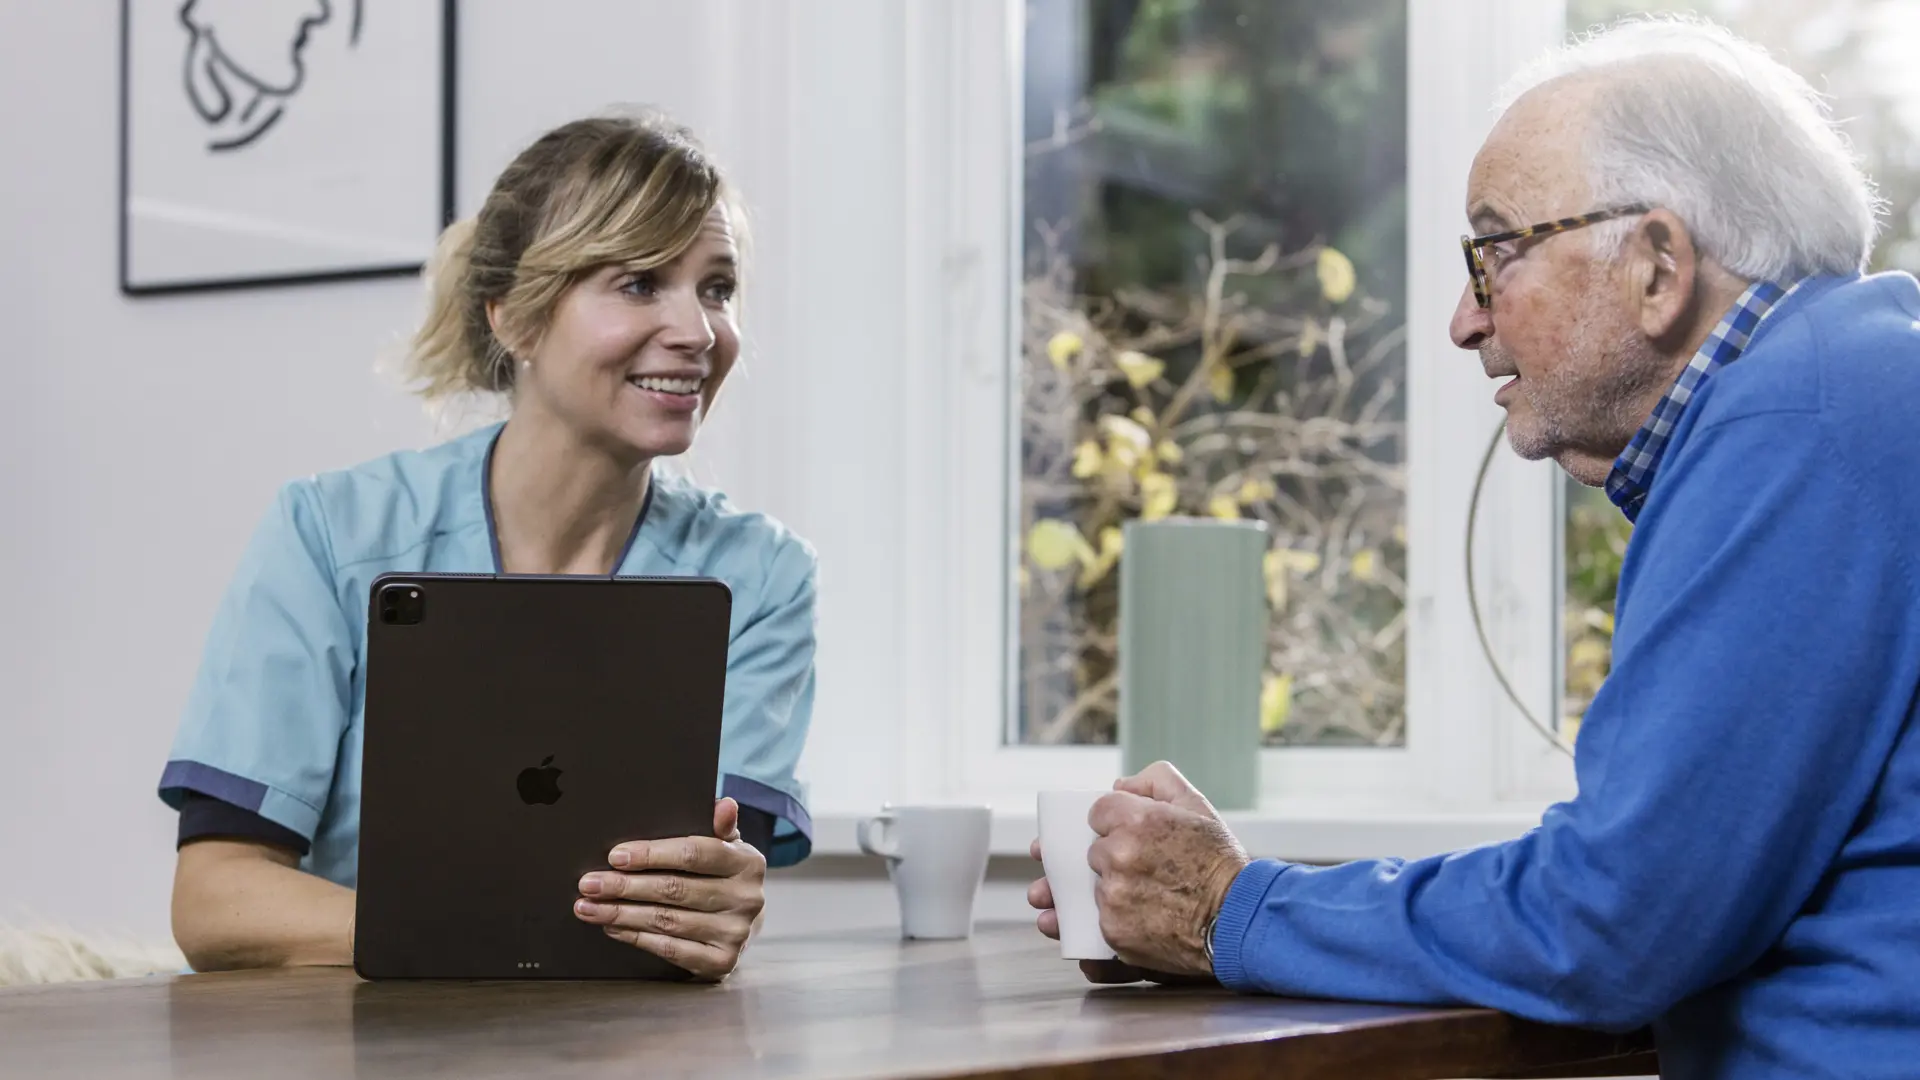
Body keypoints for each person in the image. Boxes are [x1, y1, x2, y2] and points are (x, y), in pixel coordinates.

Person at [1030, 17, 1920, 1078]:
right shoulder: (1844, 389)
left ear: (1656, 266)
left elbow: (1613, 925)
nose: (1463, 319)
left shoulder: (1795, 420)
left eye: (1495, 252)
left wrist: (1231, 906)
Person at [159, 110, 818, 982]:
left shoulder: (763, 578)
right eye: (639, 282)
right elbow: (215, 901)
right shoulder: (329, 534)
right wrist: (491, 936)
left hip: (624, 1049)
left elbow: (707, 893)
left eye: (718, 287)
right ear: (513, 318)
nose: (698, 332)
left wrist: (720, 901)